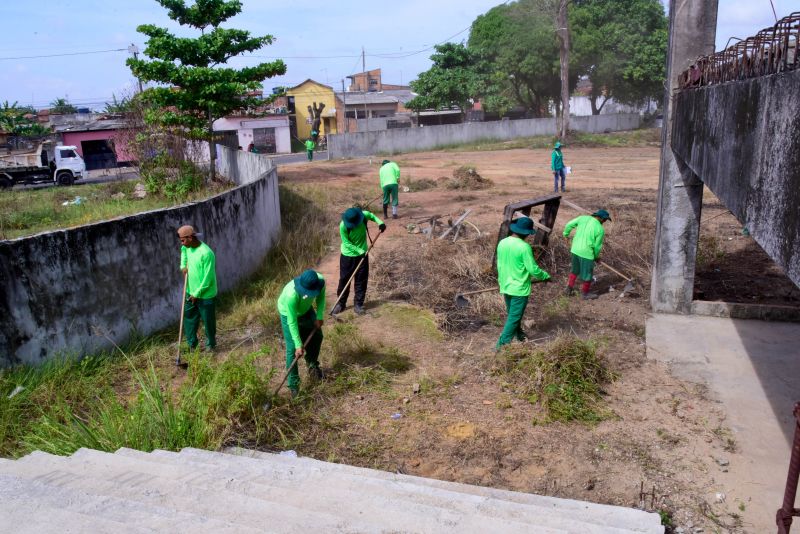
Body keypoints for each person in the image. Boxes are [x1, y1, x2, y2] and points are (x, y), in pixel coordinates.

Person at [495, 217, 551, 350]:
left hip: (505, 285)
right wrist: (545, 276)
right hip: (519, 289)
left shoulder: (502, 242)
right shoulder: (524, 247)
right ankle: (500, 347)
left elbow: (500, 264)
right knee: (514, 317)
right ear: (526, 233)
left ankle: (520, 336)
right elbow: (533, 269)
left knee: (513, 315)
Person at [276, 269, 326, 397]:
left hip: (306, 310)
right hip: (288, 314)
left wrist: (319, 316)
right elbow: (292, 322)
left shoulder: (320, 281)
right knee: (292, 349)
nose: (309, 295)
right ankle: (294, 386)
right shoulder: (291, 295)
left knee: (317, 336)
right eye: (307, 293)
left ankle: (312, 366)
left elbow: (321, 298)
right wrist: (298, 344)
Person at [332, 207, 386, 315]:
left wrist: (380, 223)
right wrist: (360, 251)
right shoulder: (343, 226)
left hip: (363, 255)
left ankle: (358, 304)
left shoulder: (363, 215)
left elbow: (371, 215)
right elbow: (346, 243)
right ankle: (340, 304)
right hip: (348, 256)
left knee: (361, 279)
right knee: (344, 279)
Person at [178, 225, 217, 352]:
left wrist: (197, 293)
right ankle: (192, 345)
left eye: (183, 240)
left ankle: (210, 345)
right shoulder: (187, 248)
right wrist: (183, 265)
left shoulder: (206, 253)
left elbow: (208, 278)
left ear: (190, 237)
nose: (182, 243)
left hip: (205, 295)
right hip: (190, 291)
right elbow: (183, 251)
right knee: (189, 319)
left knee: (208, 322)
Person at [563, 209, 611, 300]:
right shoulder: (600, 229)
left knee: (574, 270)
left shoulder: (582, 218)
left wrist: (565, 234)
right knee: (588, 274)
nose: (605, 221)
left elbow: (569, 224)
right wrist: (596, 257)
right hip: (587, 253)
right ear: (600, 218)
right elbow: (597, 247)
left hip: (575, 249)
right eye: (604, 219)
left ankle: (568, 289)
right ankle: (585, 294)